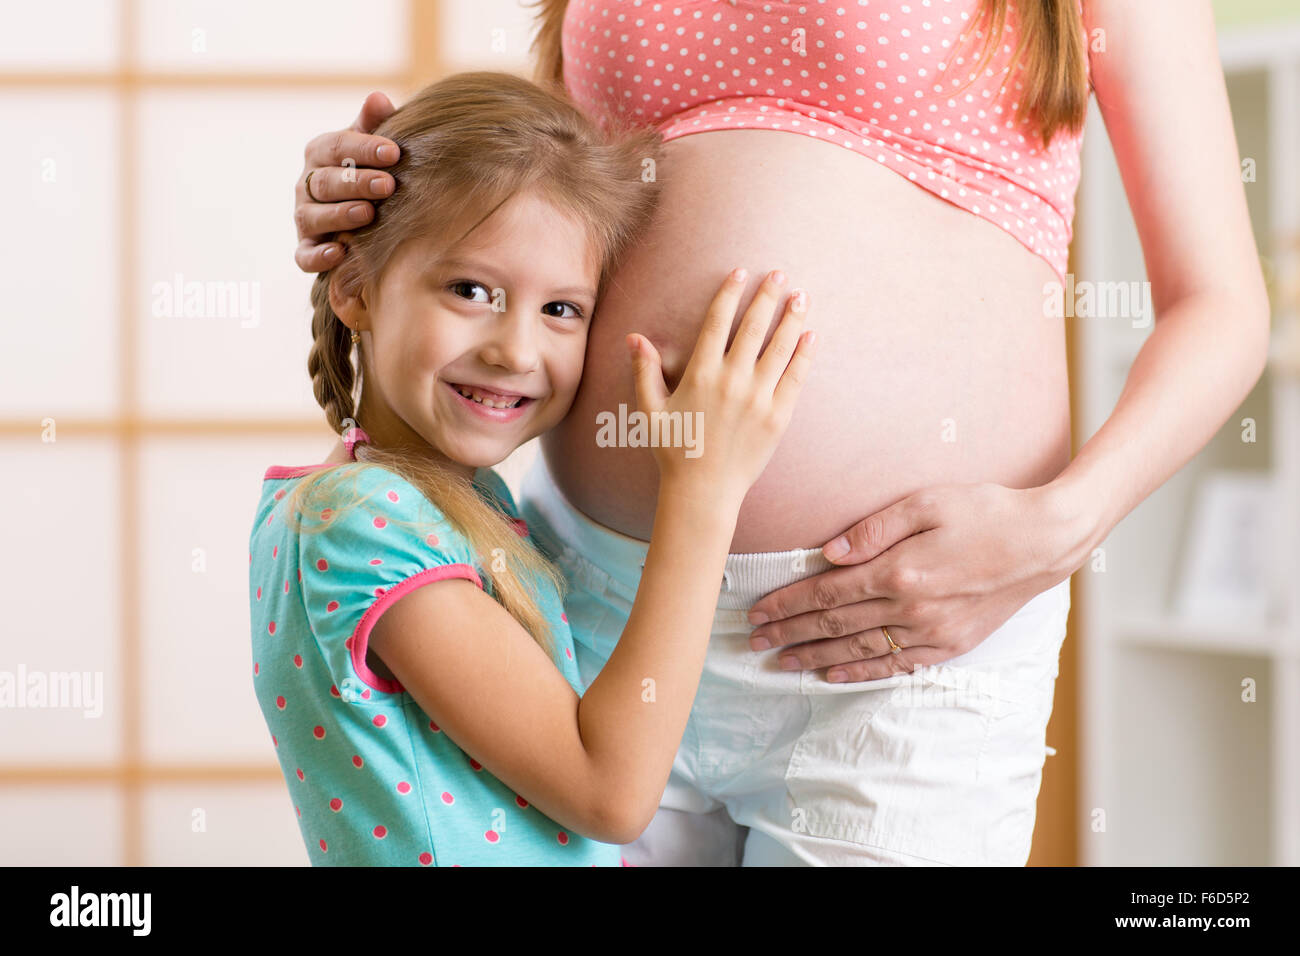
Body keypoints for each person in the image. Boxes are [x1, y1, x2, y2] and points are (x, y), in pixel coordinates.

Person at [291, 0, 1269, 865]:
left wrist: (1064, 525)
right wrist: (395, 188)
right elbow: (557, 194)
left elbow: (1220, 303)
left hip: (895, 643)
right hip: (588, 606)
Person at [251, 70, 815, 865]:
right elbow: (607, 793)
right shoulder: (356, 520)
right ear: (356, 289)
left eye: (561, 310)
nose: (515, 350)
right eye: (471, 289)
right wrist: (703, 487)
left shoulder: (433, 500)